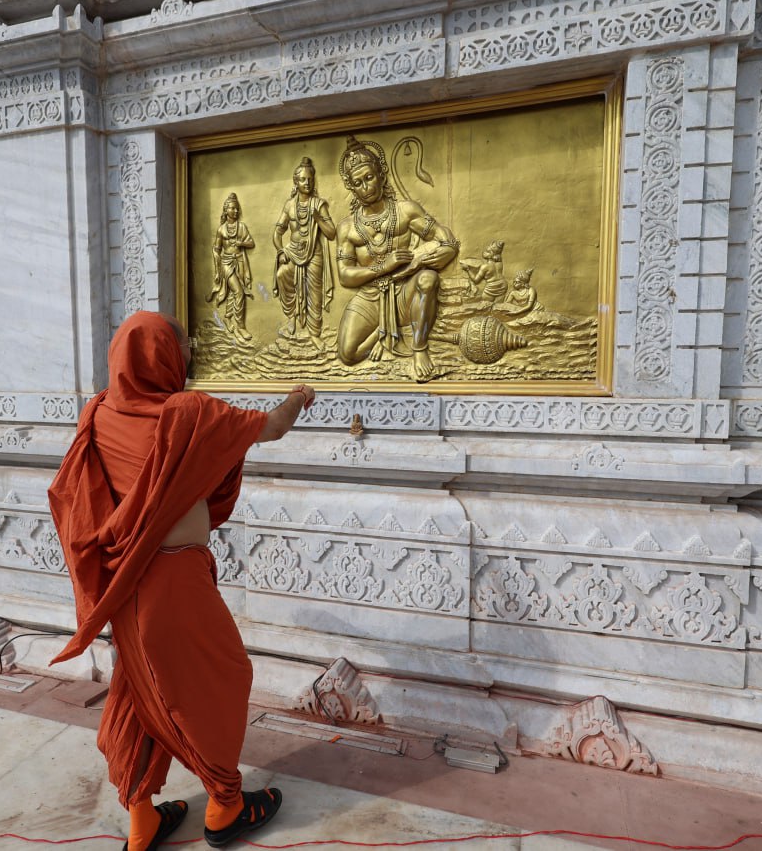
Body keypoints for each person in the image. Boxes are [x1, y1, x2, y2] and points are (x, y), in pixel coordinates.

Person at [49, 311, 314, 850]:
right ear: (162, 356)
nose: (188, 358)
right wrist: (299, 396)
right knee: (221, 679)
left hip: (128, 584)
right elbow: (271, 426)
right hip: (172, 580)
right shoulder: (186, 413)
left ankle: (143, 821)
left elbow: (76, 496)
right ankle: (225, 804)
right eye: (182, 348)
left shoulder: (96, 412)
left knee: (141, 691)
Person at [334, 136, 459, 383]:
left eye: (369, 178)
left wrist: (447, 250)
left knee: (427, 278)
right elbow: (345, 275)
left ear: (380, 174)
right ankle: (384, 334)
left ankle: (419, 349)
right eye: (358, 183)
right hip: (371, 297)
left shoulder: (405, 211)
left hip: (405, 293)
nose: (366, 187)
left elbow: (443, 236)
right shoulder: (347, 228)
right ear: (350, 186)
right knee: (347, 354)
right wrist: (383, 266)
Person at [272, 157, 337, 347]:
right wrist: (280, 251)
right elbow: (277, 233)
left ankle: (315, 333)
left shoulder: (319, 204)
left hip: (314, 254)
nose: (307, 183)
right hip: (292, 252)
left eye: (310, 179)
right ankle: (291, 318)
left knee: (314, 294)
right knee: (282, 274)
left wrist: (319, 219)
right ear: (296, 182)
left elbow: (332, 233)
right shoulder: (289, 205)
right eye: (302, 180)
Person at [208, 194, 255, 342]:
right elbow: (216, 249)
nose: (235, 211)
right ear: (226, 210)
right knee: (239, 292)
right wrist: (217, 269)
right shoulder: (221, 230)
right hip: (226, 263)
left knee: (233, 293)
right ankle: (241, 326)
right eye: (232, 208)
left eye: (237, 208)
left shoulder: (242, 227)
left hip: (239, 262)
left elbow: (251, 243)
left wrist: (241, 244)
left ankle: (228, 318)